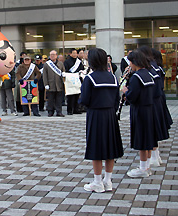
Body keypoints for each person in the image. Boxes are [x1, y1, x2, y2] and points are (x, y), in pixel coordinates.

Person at [79, 48, 123, 193]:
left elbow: (84, 100)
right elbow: (117, 99)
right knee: (110, 148)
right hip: (110, 115)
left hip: (96, 115)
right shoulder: (113, 78)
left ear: (91, 61)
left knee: (96, 148)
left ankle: (97, 182)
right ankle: (108, 181)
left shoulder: (90, 78)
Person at [122, 49, 156, 178]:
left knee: (142, 140)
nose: (129, 65)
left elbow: (133, 96)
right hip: (149, 109)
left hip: (140, 111)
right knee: (148, 139)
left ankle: (142, 168)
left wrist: (126, 91)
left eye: (130, 62)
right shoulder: (148, 74)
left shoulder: (136, 77)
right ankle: (147, 166)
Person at [42, 50, 66, 117]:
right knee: (50, 99)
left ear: (56, 55)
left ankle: (59, 111)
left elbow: (63, 71)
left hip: (59, 84)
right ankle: (50, 111)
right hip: (50, 84)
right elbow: (45, 75)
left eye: (53, 54)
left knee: (59, 99)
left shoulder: (60, 63)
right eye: (51, 54)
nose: (52, 56)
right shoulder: (47, 64)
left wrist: (64, 74)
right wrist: (46, 84)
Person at [64, 48, 84, 115]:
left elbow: (82, 69)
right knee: (70, 96)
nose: (75, 54)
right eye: (74, 53)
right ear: (70, 54)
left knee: (77, 95)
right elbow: (65, 70)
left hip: (77, 80)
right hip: (70, 80)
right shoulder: (67, 62)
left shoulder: (79, 62)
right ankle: (70, 110)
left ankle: (76, 109)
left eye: (76, 53)